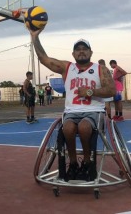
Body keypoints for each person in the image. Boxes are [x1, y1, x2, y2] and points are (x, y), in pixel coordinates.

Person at [28, 28, 115, 182]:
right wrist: (35, 37)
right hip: (71, 112)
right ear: (73, 54)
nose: (81, 52)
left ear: (91, 52)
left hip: (94, 111)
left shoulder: (100, 69)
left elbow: (111, 90)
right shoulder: (67, 67)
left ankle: (88, 161)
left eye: (84, 49)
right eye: (78, 49)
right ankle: (73, 163)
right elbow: (43, 58)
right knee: (67, 128)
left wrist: (90, 92)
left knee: (84, 127)